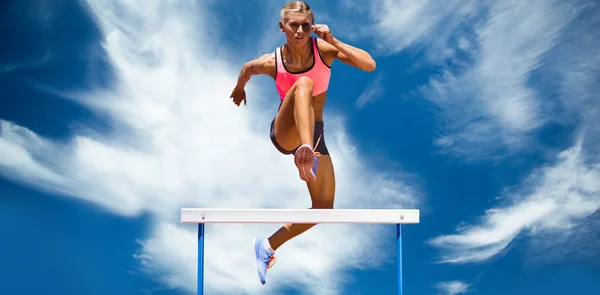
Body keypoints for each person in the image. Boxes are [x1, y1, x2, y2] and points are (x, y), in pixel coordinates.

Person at [228, 0, 376, 285]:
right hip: (287, 133)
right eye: (293, 25)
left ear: (312, 25)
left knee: (323, 208)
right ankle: (305, 152)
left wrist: (333, 40)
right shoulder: (273, 62)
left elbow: (369, 64)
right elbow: (247, 68)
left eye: (305, 25)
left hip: (315, 134)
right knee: (305, 84)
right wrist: (238, 88)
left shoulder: (324, 50)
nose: (299, 31)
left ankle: (268, 245)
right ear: (282, 27)